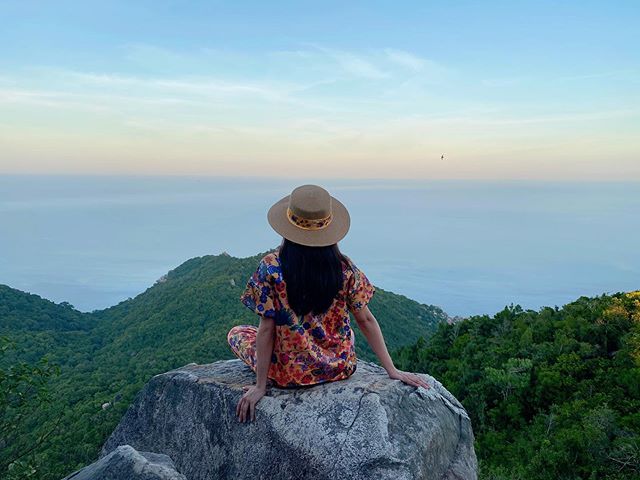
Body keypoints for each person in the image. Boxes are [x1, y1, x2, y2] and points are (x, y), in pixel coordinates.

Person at [227, 184, 430, 423]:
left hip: (289, 374)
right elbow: (365, 320)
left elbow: (266, 330)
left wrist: (260, 386)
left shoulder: (271, 268)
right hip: (339, 367)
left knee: (238, 332)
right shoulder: (344, 268)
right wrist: (392, 370)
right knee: (348, 334)